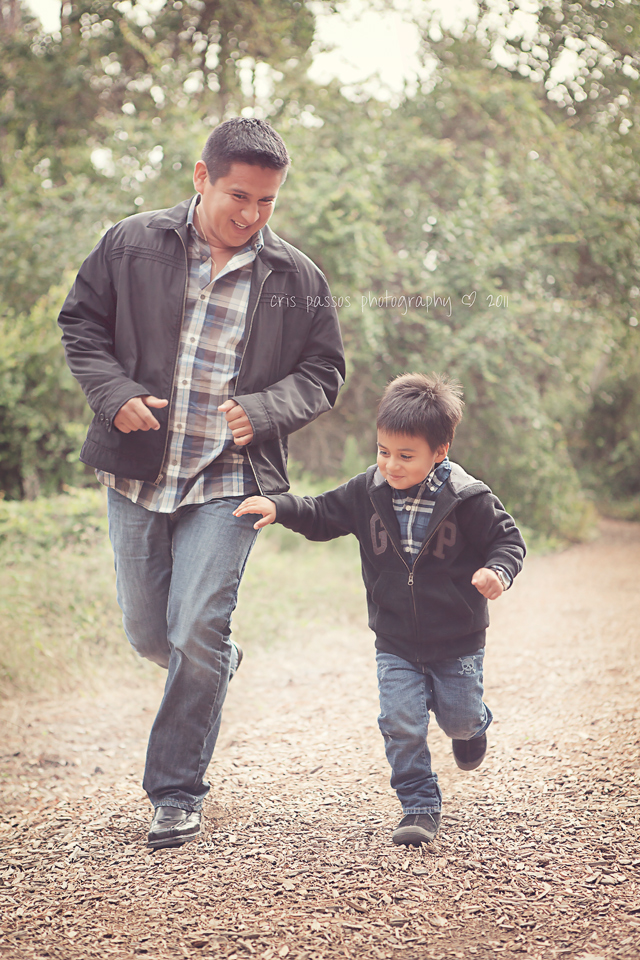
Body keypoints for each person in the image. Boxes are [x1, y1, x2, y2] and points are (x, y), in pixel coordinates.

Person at [58, 118, 345, 850]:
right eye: (238, 196)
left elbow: (323, 372)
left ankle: (175, 792)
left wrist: (265, 409)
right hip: (138, 471)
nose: (251, 214)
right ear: (201, 177)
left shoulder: (297, 278)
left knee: (196, 630)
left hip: (231, 478)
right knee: (150, 633)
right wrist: (113, 392)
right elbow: (81, 324)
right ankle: (212, 664)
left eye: (267, 201)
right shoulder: (129, 244)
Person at [234, 373, 526, 846]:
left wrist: (498, 571)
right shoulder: (367, 491)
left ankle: (474, 727)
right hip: (395, 640)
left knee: (459, 718)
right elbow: (321, 513)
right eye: (383, 451)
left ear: (440, 451)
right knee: (400, 722)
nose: (390, 464)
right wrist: (281, 507)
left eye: (405, 456)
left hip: (457, 639)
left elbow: (507, 541)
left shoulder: (467, 498)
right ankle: (419, 806)